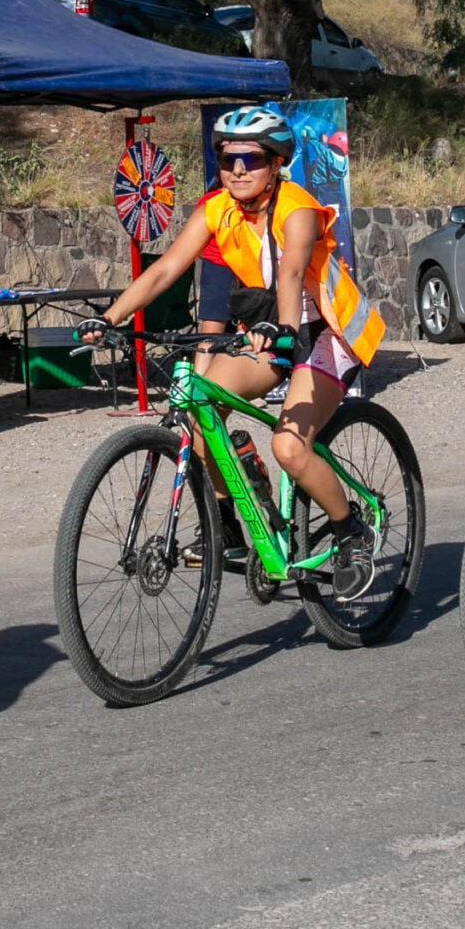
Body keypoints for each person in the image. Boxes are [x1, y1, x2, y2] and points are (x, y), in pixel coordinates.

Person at [82, 107, 385, 585]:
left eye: (252, 159)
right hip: (271, 331)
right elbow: (164, 270)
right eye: (227, 159)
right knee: (199, 409)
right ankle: (229, 531)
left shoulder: (298, 209)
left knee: (288, 446)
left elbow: (289, 271)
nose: (238, 170)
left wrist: (284, 329)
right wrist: (109, 318)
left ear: (276, 162)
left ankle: (351, 534)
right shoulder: (217, 208)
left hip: (324, 332)